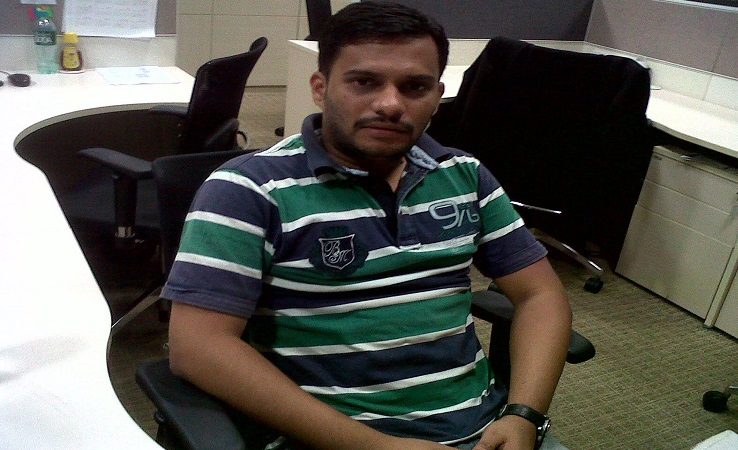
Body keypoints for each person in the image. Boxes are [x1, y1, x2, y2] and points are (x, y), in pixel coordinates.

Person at [164, 2, 572, 449]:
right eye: (364, 82)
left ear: (437, 95)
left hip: (489, 431)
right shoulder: (249, 190)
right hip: (335, 439)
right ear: (320, 88)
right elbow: (197, 348)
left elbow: (540, 295)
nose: (390, 104)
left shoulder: (464, 175)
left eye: (414, 87)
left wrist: (524, 415)